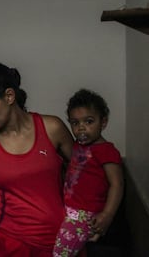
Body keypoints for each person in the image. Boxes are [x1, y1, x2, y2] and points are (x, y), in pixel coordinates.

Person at [0, 61, 81, 257]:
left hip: (62, 242)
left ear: (9, 96)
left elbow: (85, 176)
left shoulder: (52, 128)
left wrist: (99, 216)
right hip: (11, 244)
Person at [52, 89, 124, 256]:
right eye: (75, 123)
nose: (81, 128)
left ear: (103, 122)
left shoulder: (106, 150)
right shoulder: (78, 146)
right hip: (69, 210)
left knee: (60, 254)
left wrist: (108, 214)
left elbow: (117, 184)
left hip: (84, 215)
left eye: (89, 121)